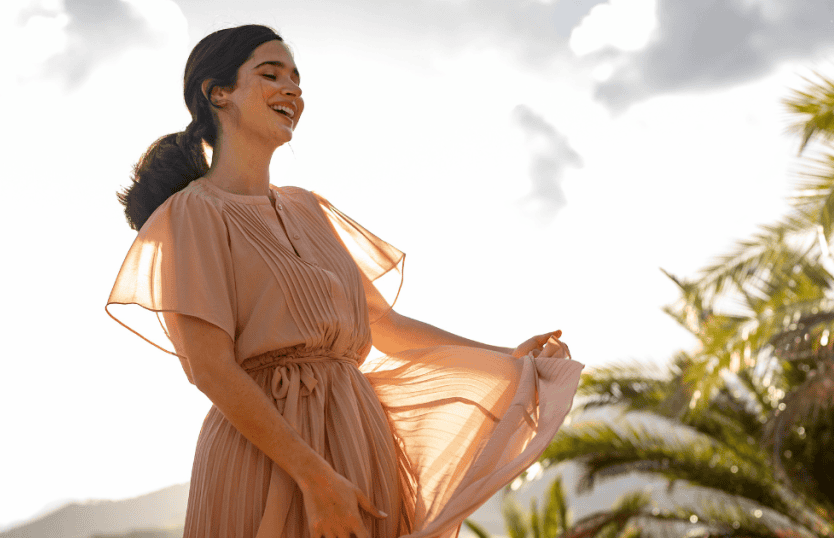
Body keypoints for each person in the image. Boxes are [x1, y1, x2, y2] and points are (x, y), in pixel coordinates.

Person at [106, 24, 584, 538]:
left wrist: (506, 356)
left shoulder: (307, 208)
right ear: (217, 92)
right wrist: (314, 477)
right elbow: (210, 368)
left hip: (358, 440)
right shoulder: (192, 214)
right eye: (271, 74)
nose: (292, 90)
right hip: (272, 456)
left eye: (297, 79)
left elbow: (384, 324)